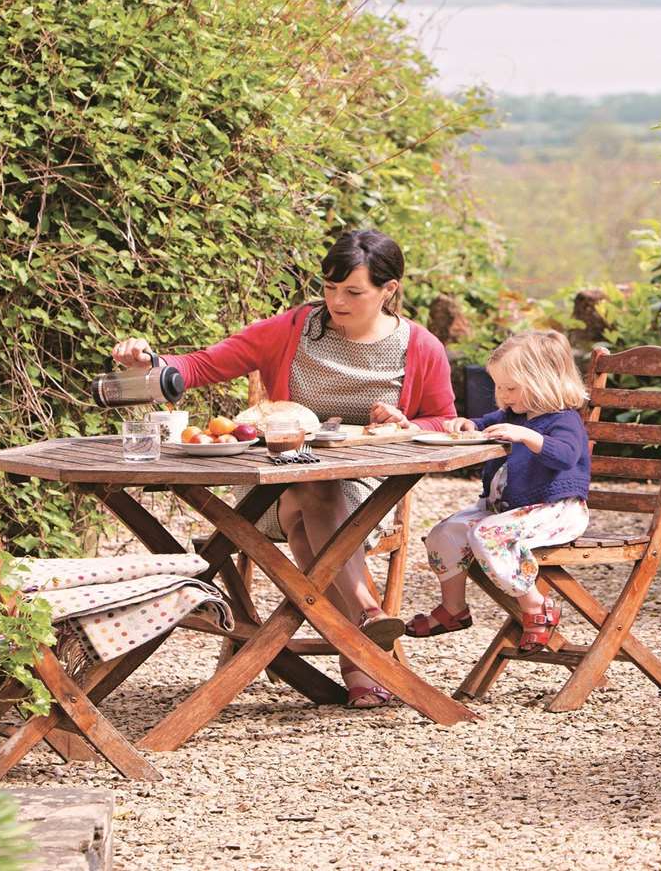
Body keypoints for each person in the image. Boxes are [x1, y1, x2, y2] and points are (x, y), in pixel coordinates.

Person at [108, 228, 456, 707]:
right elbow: (204, 365)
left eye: (353, 292)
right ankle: (365, 621)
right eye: (330, 288)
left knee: (315, 502)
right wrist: (150, 362)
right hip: (273, 486)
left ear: (388, 289)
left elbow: (445, 421)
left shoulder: (419, 347)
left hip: (365, 493)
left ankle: (350, 643)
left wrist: (403, 420)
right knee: (308, 494)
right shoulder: (296, 328)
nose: (336, 301)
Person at [370, 330, 591, 653]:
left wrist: (526, 437)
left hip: (556, 510)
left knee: (489, 535)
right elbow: (482, 423)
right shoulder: (513, 415)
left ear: (544, 382)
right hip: (509, 511)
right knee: (444, 533)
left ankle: (536, 607)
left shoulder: (564, 421)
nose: (502, 395)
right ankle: (453, 609)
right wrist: (467, 425)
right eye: (499, 386)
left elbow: (565, 455)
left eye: (510, 388)